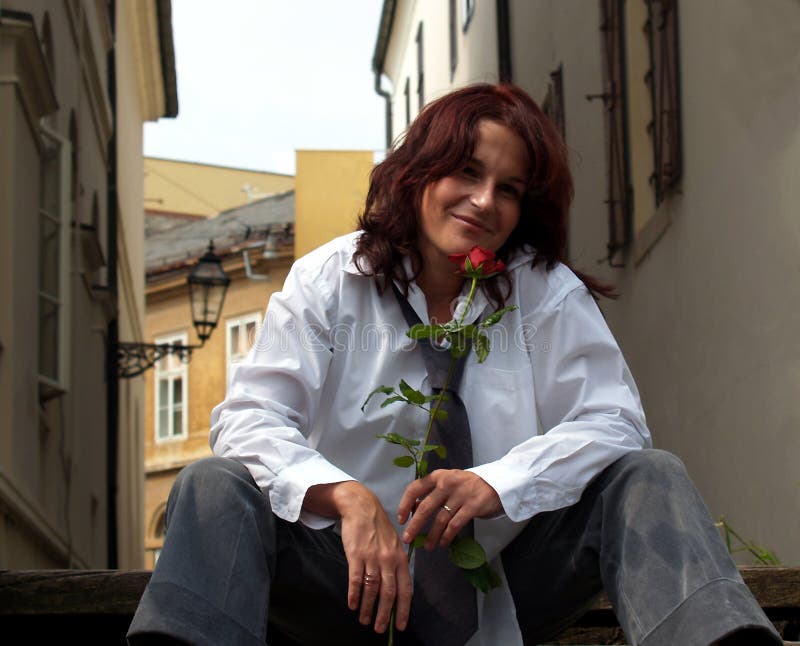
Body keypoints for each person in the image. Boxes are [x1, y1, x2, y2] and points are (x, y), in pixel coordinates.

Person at [128, 84, 781, 646]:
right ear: (421, 170)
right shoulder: (331, 281)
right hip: (344, 584)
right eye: (466, 172)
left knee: (647, 474)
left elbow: (613, 421)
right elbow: (248, 419)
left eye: (508, 188)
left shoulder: (544, 292)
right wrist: (345, 498)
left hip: (505, 584)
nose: (483, 200)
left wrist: (500, 482)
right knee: (213, 485)